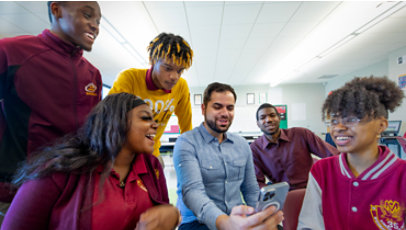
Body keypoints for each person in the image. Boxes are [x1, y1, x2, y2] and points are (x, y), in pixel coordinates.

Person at [1, 93, 180, 230]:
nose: (155, 125)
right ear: (115, 122)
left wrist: (172, 215)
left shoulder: (151, 166)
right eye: (145, 118)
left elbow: (163, 209)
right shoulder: (59, 172)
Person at [0, 1, 102, 223]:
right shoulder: (10, 52)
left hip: (69, 195)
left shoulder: (92, 75)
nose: (95, 25)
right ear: (56, 10)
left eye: (98, 21)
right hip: (14, 193)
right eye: (87, 15)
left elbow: (92, 135)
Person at [298, 76, 406, 229]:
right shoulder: (321, 170)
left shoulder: (402, 174)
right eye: (334, 120)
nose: (339, 127)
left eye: (352, 118)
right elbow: (309, 226)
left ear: (381, 125)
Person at [173, 82, 284, 230]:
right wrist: (225, 223)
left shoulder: (242, 144)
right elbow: (193, 192)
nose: (225, 113)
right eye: (217, 107)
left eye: (230, 108)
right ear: (204, 108)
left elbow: (250, 189)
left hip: (237, 218)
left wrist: (260, 217)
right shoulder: (186, 142)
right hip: (197, 222)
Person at [109, 32, 194, 159]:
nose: (174, 77)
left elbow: (186, 126)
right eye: (168, 68)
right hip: (122, 154)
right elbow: (108, 120)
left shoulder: (181, 86)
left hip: (152, 153)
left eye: (179, 71)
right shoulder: (129, 79)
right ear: (153, 61)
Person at [250, 103, 339, 190]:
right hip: (282, 194)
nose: (268, 120)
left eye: (272, 115)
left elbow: (333, 155)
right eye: (262, 118)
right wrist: (273, 194)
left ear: (279, 118)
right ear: (258, 123)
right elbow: (257, 182)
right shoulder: (255, 149)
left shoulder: (301, 134)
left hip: (311, 189)